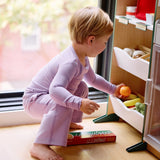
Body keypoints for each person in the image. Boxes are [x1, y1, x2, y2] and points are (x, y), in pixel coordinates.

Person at [23, 6, 124, 160]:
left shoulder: (81, 57)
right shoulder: (70, 62)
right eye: (105, 42)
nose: (105, 46)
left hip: (43, 97)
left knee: (82, 86)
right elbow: (55, 90)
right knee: (62, 102)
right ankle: (39, 145)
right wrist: (78, 103)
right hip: (34, 100)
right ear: (91, 40)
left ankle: (66, 122)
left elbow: (93, 79)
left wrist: (113, 90)